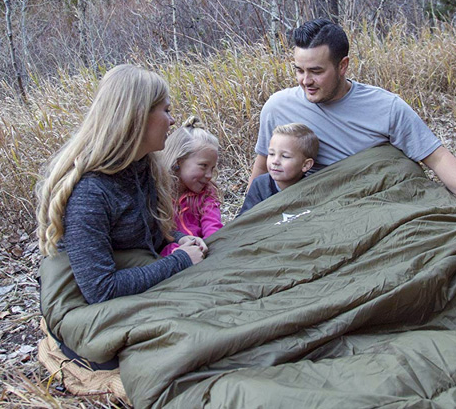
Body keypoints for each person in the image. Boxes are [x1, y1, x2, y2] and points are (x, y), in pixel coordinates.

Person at [248, 18, 456, 231]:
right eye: (299, 70)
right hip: (313, 215)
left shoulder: (385, 107)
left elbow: (437, 157)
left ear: (343, 66)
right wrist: (247, 219)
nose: (305, 81)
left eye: (316, 71)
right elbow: (263, 168)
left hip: (376, 210)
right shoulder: (278, 107)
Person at [36, 64, 208, 305]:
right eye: (166, 110)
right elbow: (100, 289)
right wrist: (181, 260)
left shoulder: (142, 165)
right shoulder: (89, 193)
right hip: (85, 310)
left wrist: (178, 239)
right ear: (138, 116)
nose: (172, 120)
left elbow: (143, 235)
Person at [158, 117, 224, 256]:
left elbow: (213, 226)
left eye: (212, 168)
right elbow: (157, 237)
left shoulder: (207, 194)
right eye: (203, 166)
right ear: (179, 161)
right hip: (169, 258)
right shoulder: (158, 193)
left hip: (201, 252)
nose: (209, 175)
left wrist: (209, 246)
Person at [239, 123, 318, 215]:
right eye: (271, 154)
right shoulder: (260, 185)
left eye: (285, 156)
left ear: (306, 165)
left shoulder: (311, 189)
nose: (275, 161)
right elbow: (243, 220)